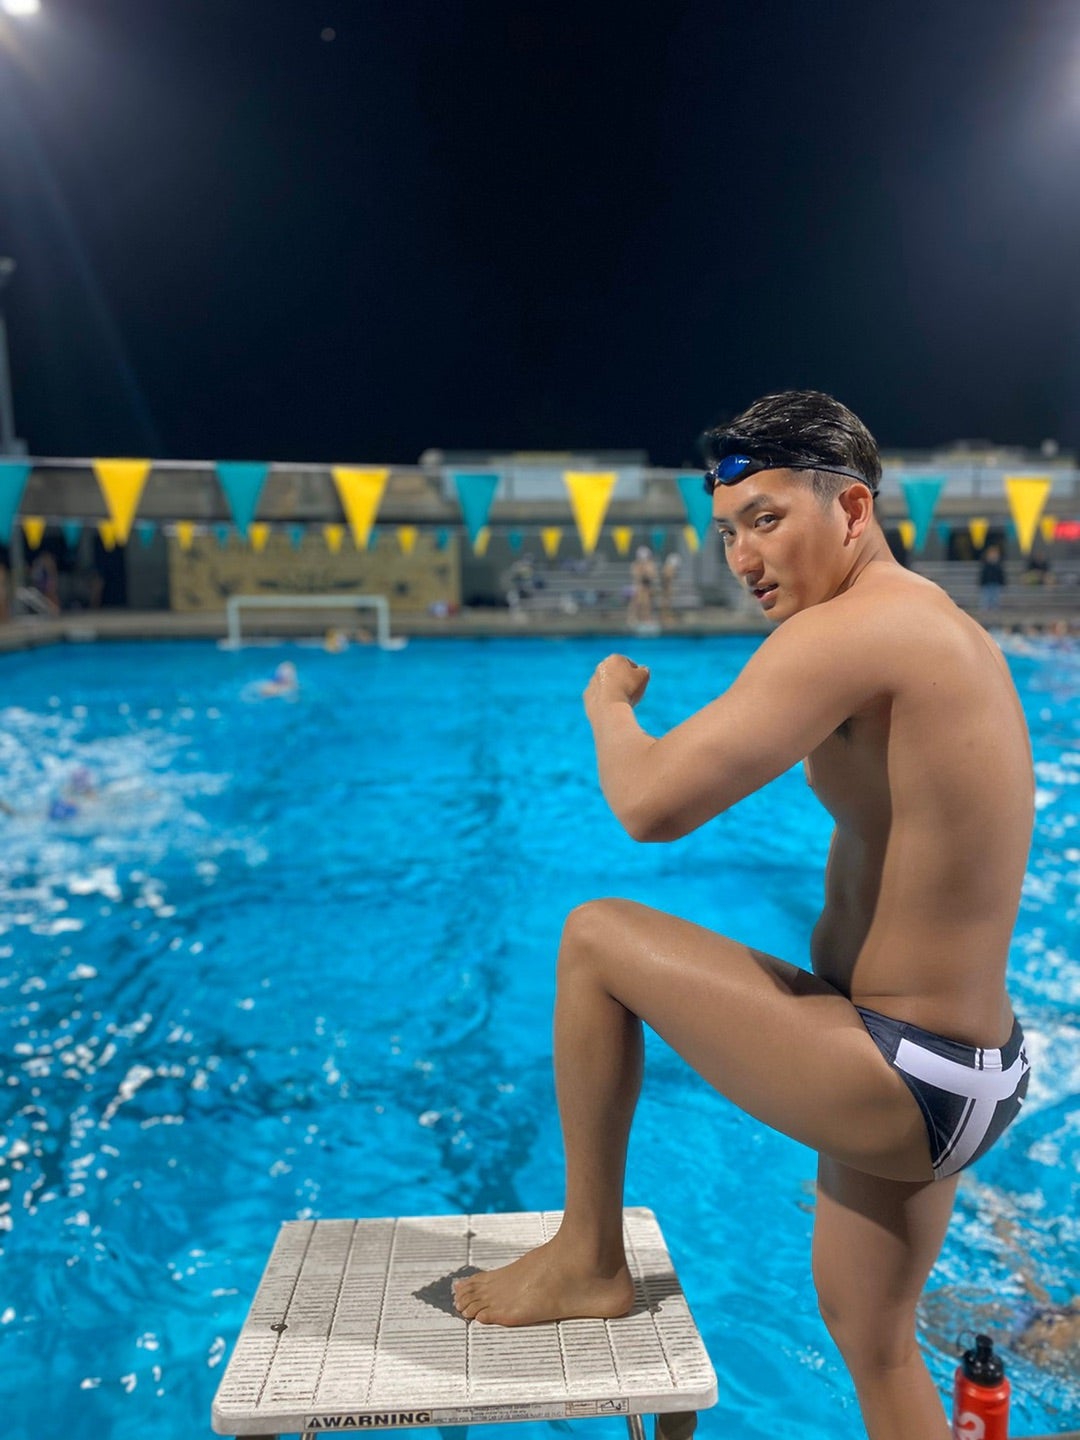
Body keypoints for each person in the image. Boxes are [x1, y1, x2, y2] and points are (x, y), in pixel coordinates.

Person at [452, 390, 1034, 1440]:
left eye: (766, 519)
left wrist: (607, 707)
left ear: (851, 508)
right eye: (727, 532)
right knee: (875, 1345)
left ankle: (588, 1258)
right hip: (968, 1067)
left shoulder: (854, 630)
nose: (744, 557)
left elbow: (648, 805)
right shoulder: (933, 626)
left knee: (594, 941)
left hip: (902, 1070)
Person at [627, 546, 658, 628]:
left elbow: (653, 575)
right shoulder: (635, 565)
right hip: (638, 586)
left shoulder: (650, 564)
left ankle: (646, 618)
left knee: (647, 602)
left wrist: (646, 572)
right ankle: (633, 618)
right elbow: (636, 576)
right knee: (636, 601)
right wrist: (643, 571)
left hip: (647, 586)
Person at [979, 544, 1006, 611]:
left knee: (995, 597)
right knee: (986, 597)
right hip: (987, 583)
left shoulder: (998, 565)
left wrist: (1002, 582)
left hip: (995, 583)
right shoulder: (986, 564)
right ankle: (986, 608)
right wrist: (982, 582)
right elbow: (983, 574)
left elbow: (1001, 575)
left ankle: (994, 608)